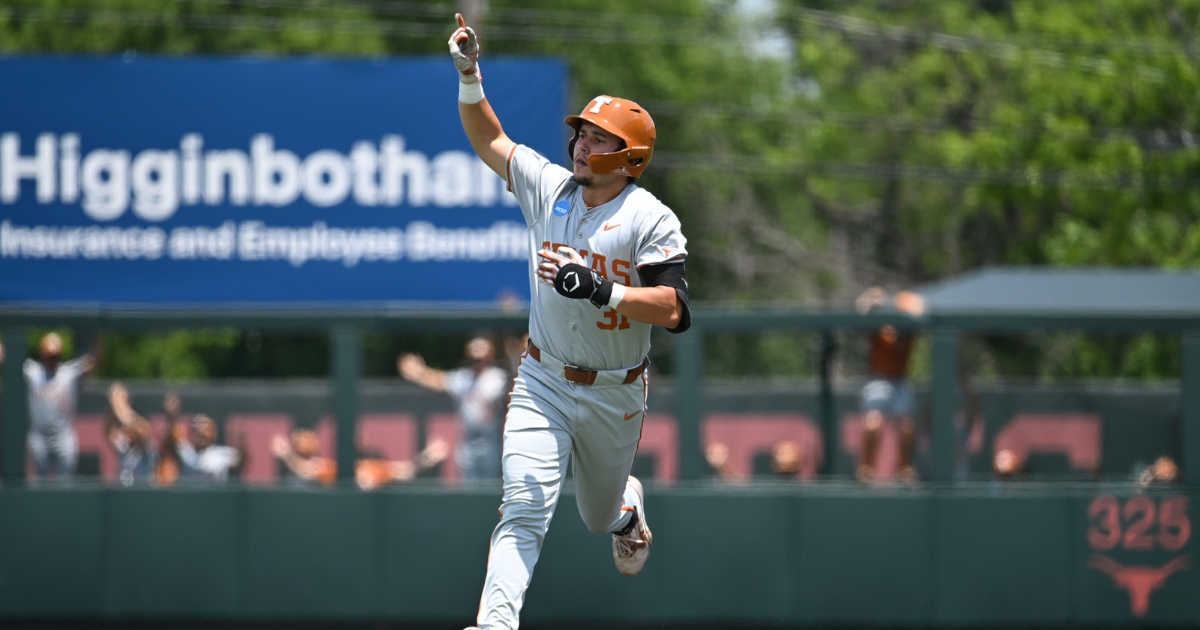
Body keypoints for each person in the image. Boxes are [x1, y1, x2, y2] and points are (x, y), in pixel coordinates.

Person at [448, 13, 692, 630]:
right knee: (523, 507)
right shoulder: (550, 188)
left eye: (600, 138)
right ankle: (496, 624)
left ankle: (626, 513)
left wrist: (603, 289)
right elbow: (490, 140)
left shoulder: (650, 217)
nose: (583, 144)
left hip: (615, 390)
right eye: (582, 132)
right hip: (543, 378)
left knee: (595, 515)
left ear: (630, 157)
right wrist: (470, 75)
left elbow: (673, 309)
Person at [397, 336, 510, 481]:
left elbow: (508, 391)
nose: (477, 363)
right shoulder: (464, 378)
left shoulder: (496, 377)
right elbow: (440, 380)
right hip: (468, 439)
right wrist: (419, 372)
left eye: (481, 359)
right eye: (474, 360)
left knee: (490, 483)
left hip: (491, 439)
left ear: (489, 358)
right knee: (468, 483)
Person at [855, 287, 924, 484]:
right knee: (873, 421)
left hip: (900, 380)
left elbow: (921, 311)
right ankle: (866, 468)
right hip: (878, 378)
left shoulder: (908, 322)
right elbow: (861, 310)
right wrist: (872, 301)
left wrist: (906, 304)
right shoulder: (879, 324)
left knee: (907, 425)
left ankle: (905, 469)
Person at [23, 332, 100, 483]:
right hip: (39, 435)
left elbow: (94, 362)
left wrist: (98, 335)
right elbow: (7, 357)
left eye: (56, 356)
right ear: (42, 355)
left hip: (63, 435)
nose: (53, 360)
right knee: (41, 483)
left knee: (66, 482)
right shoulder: (33, 372)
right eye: (50, 356)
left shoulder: (68, 373)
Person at [160, 392, 243, 485]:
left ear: (213, 433)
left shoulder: (223, 454)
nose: (200, 431)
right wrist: (172, 417)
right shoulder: (187, 452)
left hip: (215, 493)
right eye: (196, 429)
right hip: (190, 494)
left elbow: (242, 461)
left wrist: (241, 440)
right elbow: (172, 440)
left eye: (205, 427)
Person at [105, 382, 158, 487]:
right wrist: (112, 408)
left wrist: (120, 404)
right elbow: (110, 433)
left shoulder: (146, 445)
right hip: (125, 492)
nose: (126, 430)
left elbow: (140, 430)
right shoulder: (125, 445)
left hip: (143, 492)